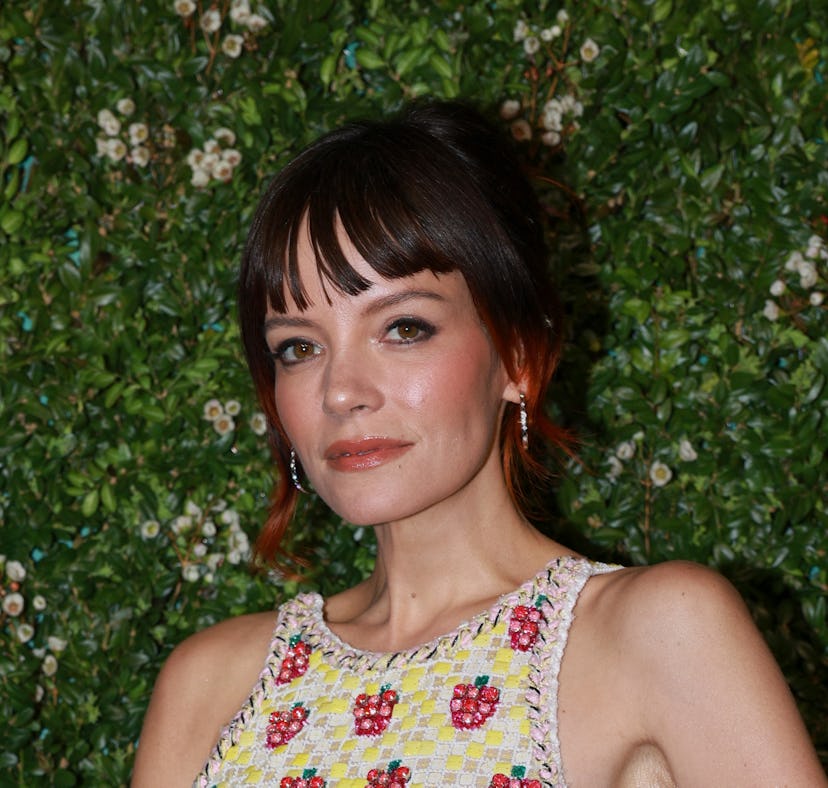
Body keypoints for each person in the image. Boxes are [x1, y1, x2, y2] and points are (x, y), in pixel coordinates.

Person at [132, 102, 826, 787]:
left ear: (518, 356)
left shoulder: (656, 633)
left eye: (403, 327)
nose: (340, 391)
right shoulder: (211, 685)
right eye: (299, 346)